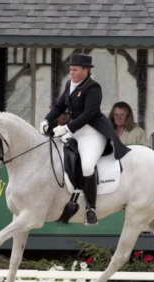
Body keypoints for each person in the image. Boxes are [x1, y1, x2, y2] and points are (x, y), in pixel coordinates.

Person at [39, 54, 131, 226]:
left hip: (92, 133)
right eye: (70, 69)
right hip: (75, 132)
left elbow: (89, 114)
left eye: (75, 69)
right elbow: (60, 107)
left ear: (86, 70)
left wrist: (66, 128)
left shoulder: (94, 88)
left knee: (87, 166)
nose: (71, 72)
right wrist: (46, 120)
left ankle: (91, 208)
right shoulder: (69, 84)